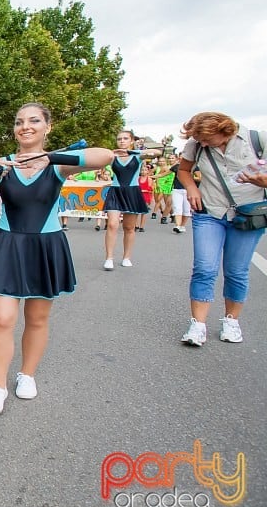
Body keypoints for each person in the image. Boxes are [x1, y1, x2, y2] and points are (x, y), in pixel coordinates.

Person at [0, 103, 113, 414]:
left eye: (34, 121)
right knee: (2, 319)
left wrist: (49, 157)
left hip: (45, 246)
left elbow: (105, 156)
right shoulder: (6, 165)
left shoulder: (58, 164)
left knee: (37, 318)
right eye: (18, 122)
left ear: (47, 127)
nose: (25, 126)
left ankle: (27, 374)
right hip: (7, 246)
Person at [177, 112, 267, 346]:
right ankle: (197, 326)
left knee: (236, 271)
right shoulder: (195, 144)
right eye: (199, 139)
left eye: (207, 138)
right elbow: (184, 170)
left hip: (248, 215)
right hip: (210, 212)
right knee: (204, 269)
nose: (202, 143)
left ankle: (231, 321)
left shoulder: (258, 140)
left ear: (225, 131)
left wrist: (263, 182)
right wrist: (192, 188)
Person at [101, 130, 160, 269]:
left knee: (129, 227)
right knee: (112, 224)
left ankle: (126, 257)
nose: (122, 141)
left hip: (132, 192)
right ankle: (109, 258)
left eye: (125, 138)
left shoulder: (138, 156)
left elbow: (157, 152)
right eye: (119, 139)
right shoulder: (112, 156)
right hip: (115, 191)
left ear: (131, 141)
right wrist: (111, 153)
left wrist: (133, 152)